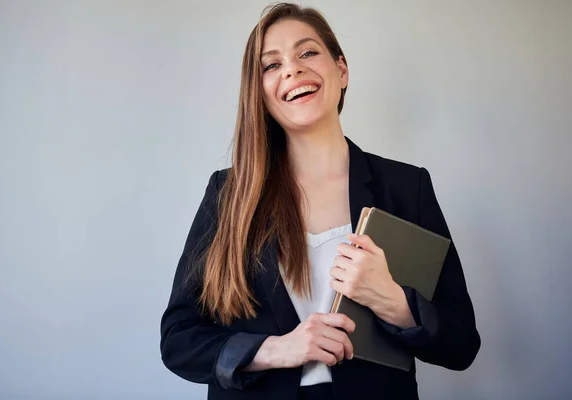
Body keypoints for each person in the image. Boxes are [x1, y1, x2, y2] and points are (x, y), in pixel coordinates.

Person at [160, 2, 480, 399]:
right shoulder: (229, 195)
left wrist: (393, 300)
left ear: (341, 71)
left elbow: (462, 343)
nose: (292, 69)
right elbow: (179, 340)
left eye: (307, 52)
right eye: (271, 65)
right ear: (259, 92)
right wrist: (274, 349)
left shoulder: (406, 186)